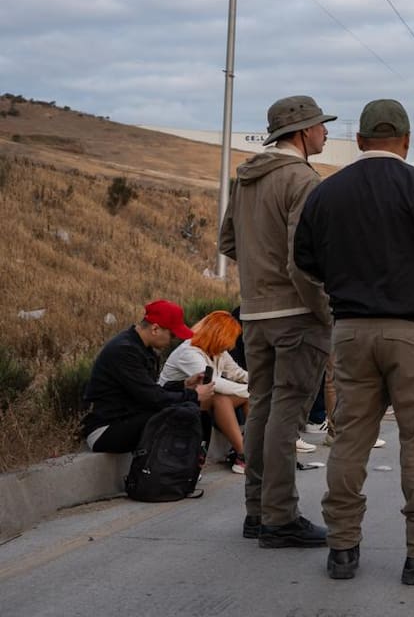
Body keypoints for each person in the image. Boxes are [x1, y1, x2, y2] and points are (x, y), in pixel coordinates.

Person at [294, 98, 414, 584]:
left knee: (349, 441)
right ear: (406, 140)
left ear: (358, 140)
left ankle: (342, 548)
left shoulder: (326, 193)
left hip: (351, 333)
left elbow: (306, 259)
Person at [218, 94, 335, 549]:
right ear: (303, 132)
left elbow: (229, 241)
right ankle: (281, 517)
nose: (325, 132)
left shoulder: (247, 176)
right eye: (321, 126)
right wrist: (322, 309)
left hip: (255, 312)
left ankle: (258, 512)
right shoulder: (302, 179)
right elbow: (302, 258)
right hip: (296, 314)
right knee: (290, 414)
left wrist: (257, 274)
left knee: (263, 408)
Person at [81, 300, 214, 453]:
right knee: (179, 414)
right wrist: (194, 394)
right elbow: (154, 398)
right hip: (106, 430)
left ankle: (185, 469)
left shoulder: (141, 348)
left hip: (127, 419)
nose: (173, 340)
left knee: (188, 410)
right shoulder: (125, 351)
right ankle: (172, 472)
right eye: (172, 335)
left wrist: (184, 385)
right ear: (155, 329)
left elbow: (149, 392)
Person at [159, 310, 249, 473]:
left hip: (198, 399)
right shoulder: (189, 352)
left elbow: (238, 374)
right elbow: (214, 383)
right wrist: (250, 390)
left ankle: (255, 446)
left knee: (247, 397)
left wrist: (262, 384)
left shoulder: (217, 351)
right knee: (221, 398)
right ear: (217, 336)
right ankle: (243, 455)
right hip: (175, 400)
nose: (229, 345)